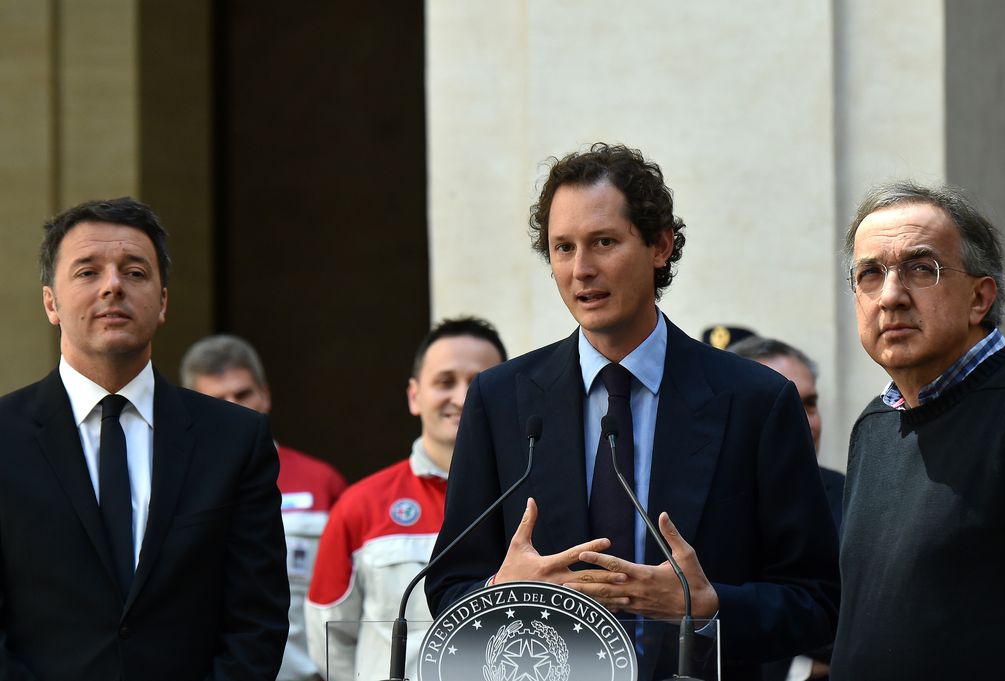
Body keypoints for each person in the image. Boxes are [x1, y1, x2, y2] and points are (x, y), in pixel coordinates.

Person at [424, 143, 840, 681]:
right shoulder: (500, 399)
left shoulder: (757, 401)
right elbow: (447, 585)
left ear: (660, 245)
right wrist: (497, 596)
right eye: (562, 248)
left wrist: (707, 607)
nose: (581, 270)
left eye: (603, 242)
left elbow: (816, 602)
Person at [0, 197, 289, 681]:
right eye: (87, 272)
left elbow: (256, 620)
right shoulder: (5, 437)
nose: (113, 286)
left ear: (163, 303)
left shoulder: (235, 439)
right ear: (50, 301)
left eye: (134, 272)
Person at [831, 181, 1005, 679]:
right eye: (870, 274)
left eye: (921, 269)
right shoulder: (874, 426)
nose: (890, 296)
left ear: (980, 298)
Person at [305, 317, 506, 681]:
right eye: (445, 382)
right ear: (415, 396)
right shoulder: (360, 505)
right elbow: (327, 635)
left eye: (478, 384)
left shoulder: (532, 497)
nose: (461, 398)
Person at [181, 335, 349, 681]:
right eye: (217, 400)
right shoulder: (175, 488)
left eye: (243, 395)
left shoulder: (322, 481)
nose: (234, 408)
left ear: (265, 395)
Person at [730, 336, 843, 681]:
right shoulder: (696, 504)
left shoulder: (851, 494)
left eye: (809, 405)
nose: (804, 424)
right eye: (782, 406)